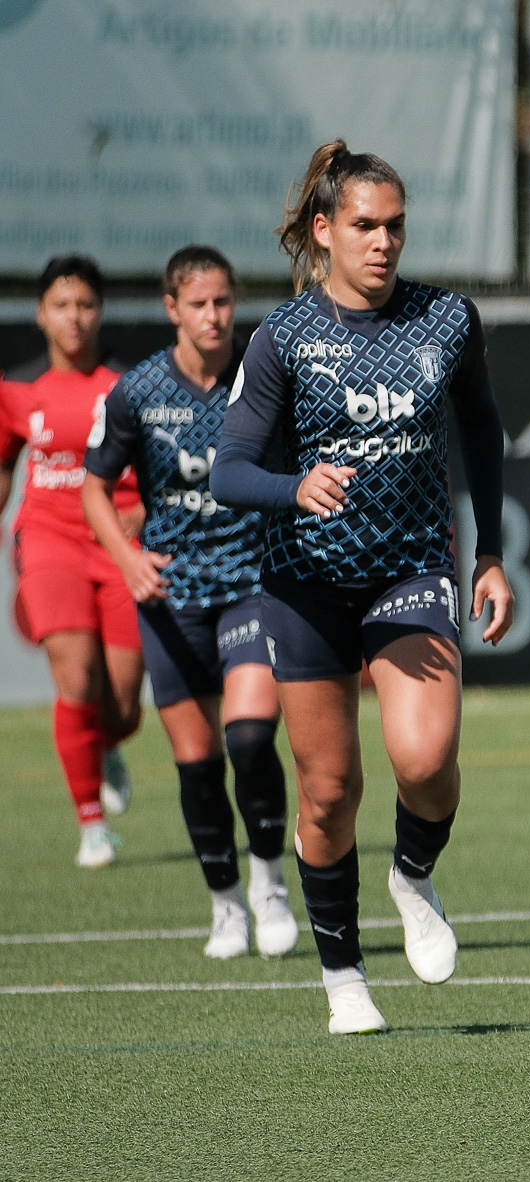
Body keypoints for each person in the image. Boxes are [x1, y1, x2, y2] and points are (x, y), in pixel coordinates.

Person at [211, 141, 513, 1034]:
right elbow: (229, 470)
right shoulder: (282, 339)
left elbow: (484, 429)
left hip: (412, 568)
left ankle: (413, 876)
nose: (383, 243)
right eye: (364, 225)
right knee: (330, 791)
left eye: (395, 226)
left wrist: (489, 552)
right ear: (324, 230)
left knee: (424, 760)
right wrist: (291, 486)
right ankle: (344, 978)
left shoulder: (447, 321)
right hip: (303, 586)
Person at [81, 245, 297, 960]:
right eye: (199, 304)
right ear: (172, 308)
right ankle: (225, 906)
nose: (214, 316)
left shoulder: (262, 378)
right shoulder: (137, 391)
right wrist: (127, 557)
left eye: (224, 302)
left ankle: (268, 883)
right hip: (171, 597)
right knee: (199, 763)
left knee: (249, 737)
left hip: (252, 584)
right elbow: (93, 488)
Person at [0, 255, 145, 868]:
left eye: (85, 304)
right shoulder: (15, 388)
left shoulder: (131, 384)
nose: (75, 317)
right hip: (49, 540)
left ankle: (105, 746)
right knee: (76, 677)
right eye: (62, 305)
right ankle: (91, 825)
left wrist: (147, 516)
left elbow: (160, 468)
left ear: (100, 311)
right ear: (40, 314)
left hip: (120, 542)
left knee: (122, 704)